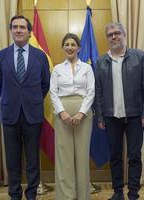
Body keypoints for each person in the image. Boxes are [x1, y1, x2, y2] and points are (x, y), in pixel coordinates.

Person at [94, 22, 144, 200]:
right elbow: (98, 91)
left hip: (136, 115)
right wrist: (99, 116)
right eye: (110, 34)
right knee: (114, 156)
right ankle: (118, 192)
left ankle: (133, 193)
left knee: (135, 156)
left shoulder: (139, 56)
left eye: (117, 33)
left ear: (124, 34)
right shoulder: (100, 61)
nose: (114, 37)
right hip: (111, 116)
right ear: (107, 38)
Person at [0, 15, 50, 200]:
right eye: (15, 27)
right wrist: (13, 99)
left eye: (22, 27)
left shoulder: (40, 56)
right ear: (11, 31)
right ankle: (15, 194)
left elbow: (45, 84)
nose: (18, 30)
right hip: (10, 114)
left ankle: (32, 194)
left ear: (29, 31)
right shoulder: (1, 56)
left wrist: (30, 99)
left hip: (33, 113)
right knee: (12, 159)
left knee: (33, 159)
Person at [50, 33, 95, 200]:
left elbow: (91, 92)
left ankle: (83, 195)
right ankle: (66, 196)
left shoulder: (87, 68)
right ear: (63, 48)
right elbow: (53, 93)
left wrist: (81, 113)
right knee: (64, 156)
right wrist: (62, 112)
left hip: (83, 114)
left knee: (82, 155)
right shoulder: (57, 69)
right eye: (66, 44)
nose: (70, 47)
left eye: (73, 44)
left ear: (78, 48)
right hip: (62, 115)